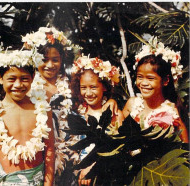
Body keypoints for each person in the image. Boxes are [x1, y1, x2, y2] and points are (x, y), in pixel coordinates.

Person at [22, 27, 119, 185]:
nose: (49, 64)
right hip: (38, 154)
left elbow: (90, 101)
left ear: (62, 60)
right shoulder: (27, 87)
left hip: (69, 156)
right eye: (44, 59)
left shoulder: (70, 86)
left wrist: (109, 100)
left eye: (55, 59)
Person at [0, 48, 55, 186]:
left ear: (32, 76)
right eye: (12, 79)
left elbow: (49, 150)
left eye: (24, 79)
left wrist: (48, 184)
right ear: (0, 77)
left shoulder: (42, 109)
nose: (18, 85)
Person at [122, 37, 188, 143]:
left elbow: (185, 148)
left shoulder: (172, 111)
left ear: (165, 80)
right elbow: (117, 132)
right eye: (140, 77)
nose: (143, 83)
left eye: (150, 78)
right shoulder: (132, 104)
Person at [70, 55, 124, 186]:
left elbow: (121, 148)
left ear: (104, 87)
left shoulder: (114, 114)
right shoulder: (76, 113)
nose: (88, 93)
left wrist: (93, 167)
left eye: (93, 87)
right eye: (84, 87)